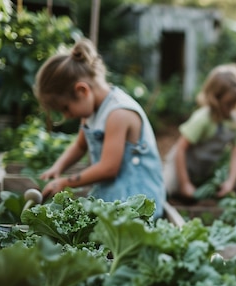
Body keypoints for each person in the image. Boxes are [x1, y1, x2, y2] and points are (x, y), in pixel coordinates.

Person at [34, 38, 166, 219]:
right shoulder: (90, 113)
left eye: (65, 108)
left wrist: (65, 182)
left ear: (82, 91)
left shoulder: (118, 113)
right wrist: (58, 167)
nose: (66, 116)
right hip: (114, 194)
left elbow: (108, 168)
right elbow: (80, 146)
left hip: (138, 202)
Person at [162, 63, 236, 200]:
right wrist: (184, 183)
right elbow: (180, 149)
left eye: (234, 103)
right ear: (215, 99)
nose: (231, 108)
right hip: (179, 165)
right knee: (166, 192)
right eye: (228, 104)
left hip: (202, 170)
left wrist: (230, 182)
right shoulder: (203, 118)